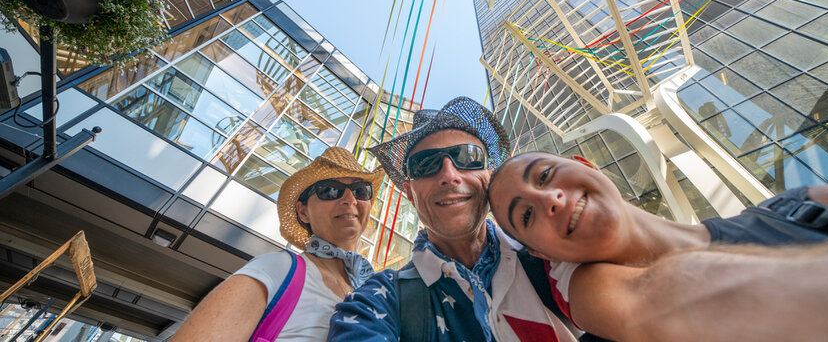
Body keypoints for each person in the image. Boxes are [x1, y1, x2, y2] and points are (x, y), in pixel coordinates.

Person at [487, 150, 828, 341]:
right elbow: (652, 300)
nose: (550, 199)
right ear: (544, 255)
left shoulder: (806, 205)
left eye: (545, 175)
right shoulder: (600, 305)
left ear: (587, 165)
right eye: (527, 216)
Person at [329, 97, 579, 341]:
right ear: (410, 194)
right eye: (425, 164)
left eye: (468, 157)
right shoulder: (378, 300)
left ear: (490, 179)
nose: (449, 176)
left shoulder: (551, 254)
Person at [171, 147, 384, 341]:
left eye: (360, 190)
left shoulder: (377, 292)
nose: (350, 199)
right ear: (303, 211)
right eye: (330, 190)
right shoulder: (278, 269)